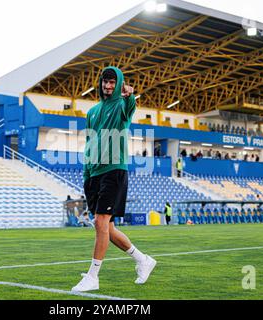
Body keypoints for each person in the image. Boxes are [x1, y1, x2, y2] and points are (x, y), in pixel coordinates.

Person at [72, 67, 156, 292]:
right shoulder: (92, 112)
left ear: (118, 84)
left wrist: (129, 94)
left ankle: (93, 277)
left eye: (112, 82)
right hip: (94, 173)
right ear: (100, 84)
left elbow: (130, 105)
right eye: (105, 82)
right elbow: (90, 143)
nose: (108, 86)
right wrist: (87, 173)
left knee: (101, 223)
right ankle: (143, 260)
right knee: (105, 227)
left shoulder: (122, 105)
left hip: (114, 170)